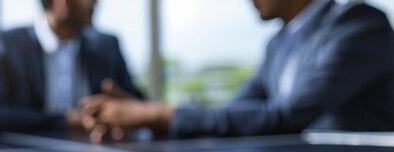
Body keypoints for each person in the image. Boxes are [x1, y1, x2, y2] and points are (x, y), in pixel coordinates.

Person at [82, 0, 394, 142]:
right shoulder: (277, 45)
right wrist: (142, 116)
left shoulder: (359, 25)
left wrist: (157, 114)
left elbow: (288, 115)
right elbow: (234, 111)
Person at [0, 0, 143, 133]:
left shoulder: (107, 46)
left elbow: (138, 103)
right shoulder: (6, 44)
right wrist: (67, 121)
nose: (95, 3)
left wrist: (125, 110)